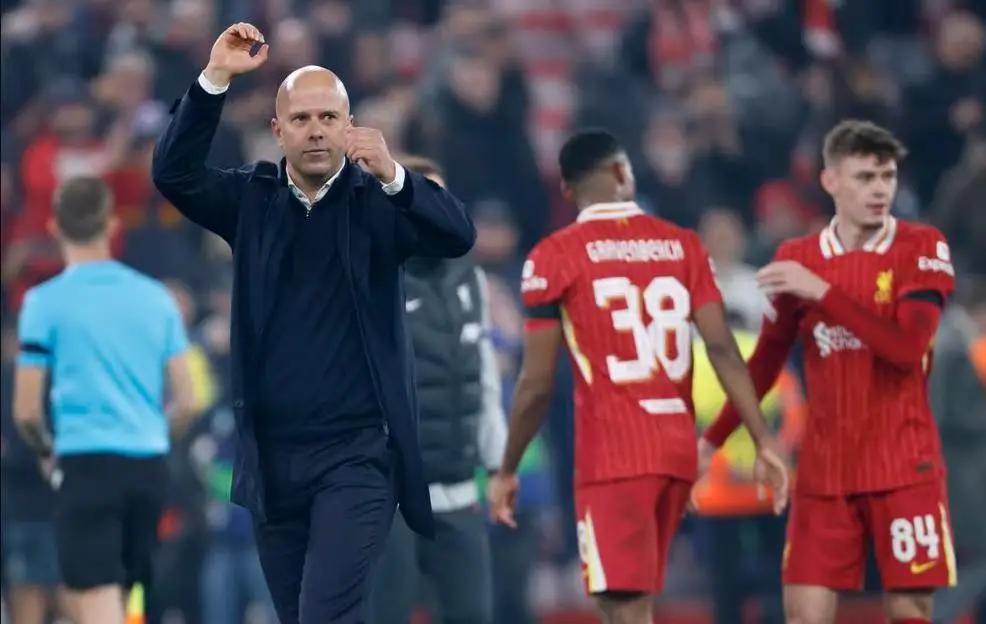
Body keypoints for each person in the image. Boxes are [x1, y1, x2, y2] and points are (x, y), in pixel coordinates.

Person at [151, 22, 476, 624]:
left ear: (350, 126)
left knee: (325, 615)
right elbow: (174, 174)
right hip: (272, 460)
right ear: (278, 131)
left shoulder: (379, 202)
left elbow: (457, 236)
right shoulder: (252, 200)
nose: (316, 129)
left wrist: (395, 175)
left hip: (356, 457)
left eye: (329, 117)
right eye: (301, 119)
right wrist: (215, 78)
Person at [486, 129, 789, 624]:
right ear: (624, 174)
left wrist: (507, 469)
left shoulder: (554, 256)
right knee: (628, 602)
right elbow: (723, 350)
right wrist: (763, 439)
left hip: (614, 453)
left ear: (567, 189)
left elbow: (536, 384)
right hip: (675, 452)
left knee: (624, 606)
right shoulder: (684, 246)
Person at [701, 119, 959, 624]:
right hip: (825, 472)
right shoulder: (797, 258)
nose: (880, 189)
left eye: (887, 176)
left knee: (910, 609)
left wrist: (822, 292)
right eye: (865, 177)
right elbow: (765, 364)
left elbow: (906, 350)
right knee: (804, 614)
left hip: (904, 465)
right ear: (831, 181)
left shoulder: (922, 248)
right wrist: (711, 442)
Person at [13, 176, 198, 624]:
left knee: (96, 598)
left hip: (86, 462)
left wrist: (46, 452)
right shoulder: (157, 299)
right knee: (127, 596)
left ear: (55, 226)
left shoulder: (43, 303)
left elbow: (27, 411)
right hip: (148, 465)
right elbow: (189, 399)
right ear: (112, 224)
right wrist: (158, 436)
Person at [367, 155, 505, 624]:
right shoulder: (367, 275)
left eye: (439, 198)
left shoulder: (471, 275)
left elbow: (483, 373)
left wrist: (498, 462)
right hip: (390, 494)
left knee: (473, 614)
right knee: (387, 614)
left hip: (459, 486)